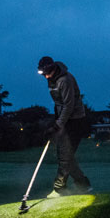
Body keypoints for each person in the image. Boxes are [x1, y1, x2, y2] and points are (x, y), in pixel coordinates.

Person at [37, 56, 92, 197]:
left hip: (76, 121)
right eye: (43, 74)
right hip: (65, 120)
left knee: (65, 155)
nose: (45, 76)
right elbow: (58, 104)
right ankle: (83, 185)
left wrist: (57, 126)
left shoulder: (65, 80)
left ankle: (59, 188)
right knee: (64, 155)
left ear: (52, 68)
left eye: (46, 73)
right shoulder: (51, 80)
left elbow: (68, 106)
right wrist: (56, 122)